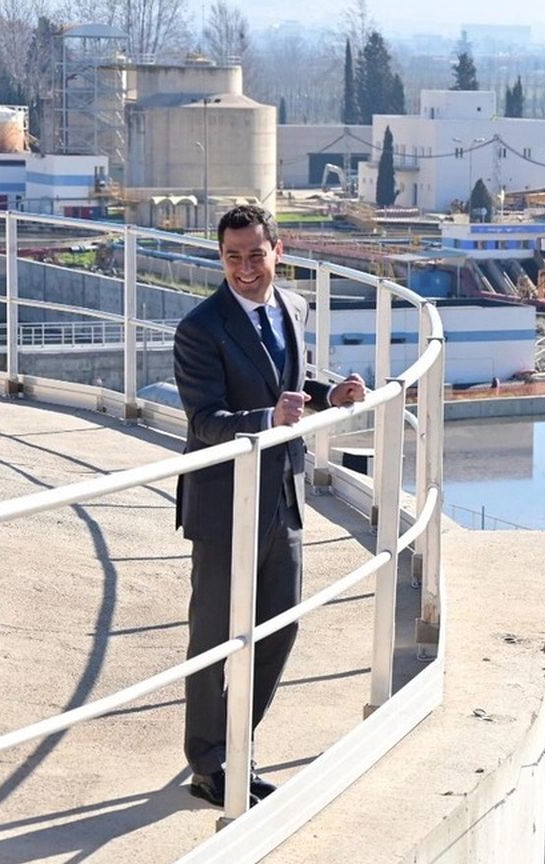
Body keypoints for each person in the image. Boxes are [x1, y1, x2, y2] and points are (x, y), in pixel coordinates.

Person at [172, 204, 366, 808]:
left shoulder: (294, 308)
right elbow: (204, 421)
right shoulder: (199, 328)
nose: (245, 269)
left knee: (279, 624)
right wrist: (265, 419)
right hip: (224, 500)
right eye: (232, 257)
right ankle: (208, 764)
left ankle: (238, 745)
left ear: (277, 252)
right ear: (221, 258)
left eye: (256, 255)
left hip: (282, 494)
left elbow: (287, 382)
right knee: (213, 636)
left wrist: (324, 392)